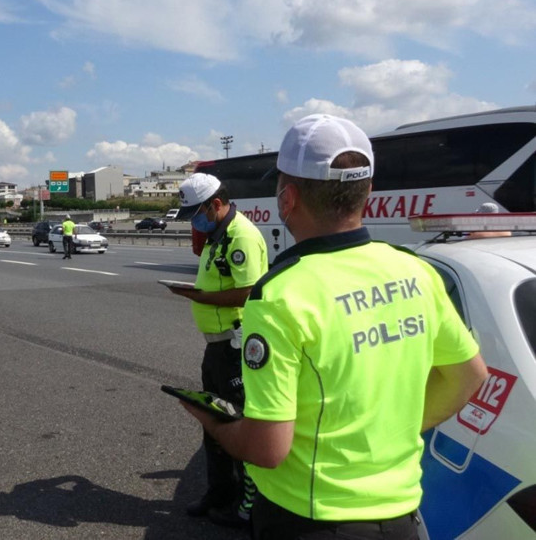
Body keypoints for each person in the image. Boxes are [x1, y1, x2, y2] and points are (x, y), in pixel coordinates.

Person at [180, 114, 488, 540]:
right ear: (368, 194)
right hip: (403, 518)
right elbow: (470, 375)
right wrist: (390, 432)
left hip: (310, 518)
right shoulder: (416, 271)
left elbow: (268, 449)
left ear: (287, 200)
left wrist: (213, 422)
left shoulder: (280, 297)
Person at [166, 172, 268, 528]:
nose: (195, 221)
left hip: (236, 348)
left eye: (197, 213)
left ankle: (246, 505)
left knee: (236, 421)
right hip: (217, 347)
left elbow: (249, 291)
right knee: (212, 419)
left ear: (216, 204)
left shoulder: (241, 235)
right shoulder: (216, 234)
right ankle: (219, 490)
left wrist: (198, 297)